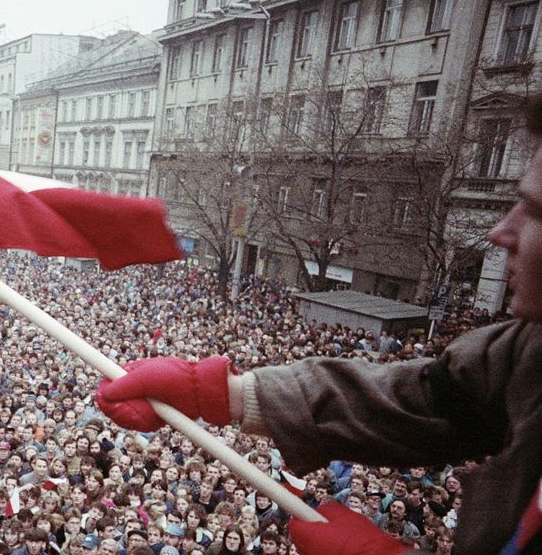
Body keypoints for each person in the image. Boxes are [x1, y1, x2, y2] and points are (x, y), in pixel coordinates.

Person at [94, 97, 542, 553]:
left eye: (535, 211)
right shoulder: (531, 350)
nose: (500, 232)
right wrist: (219, 393)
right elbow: (431, 397)